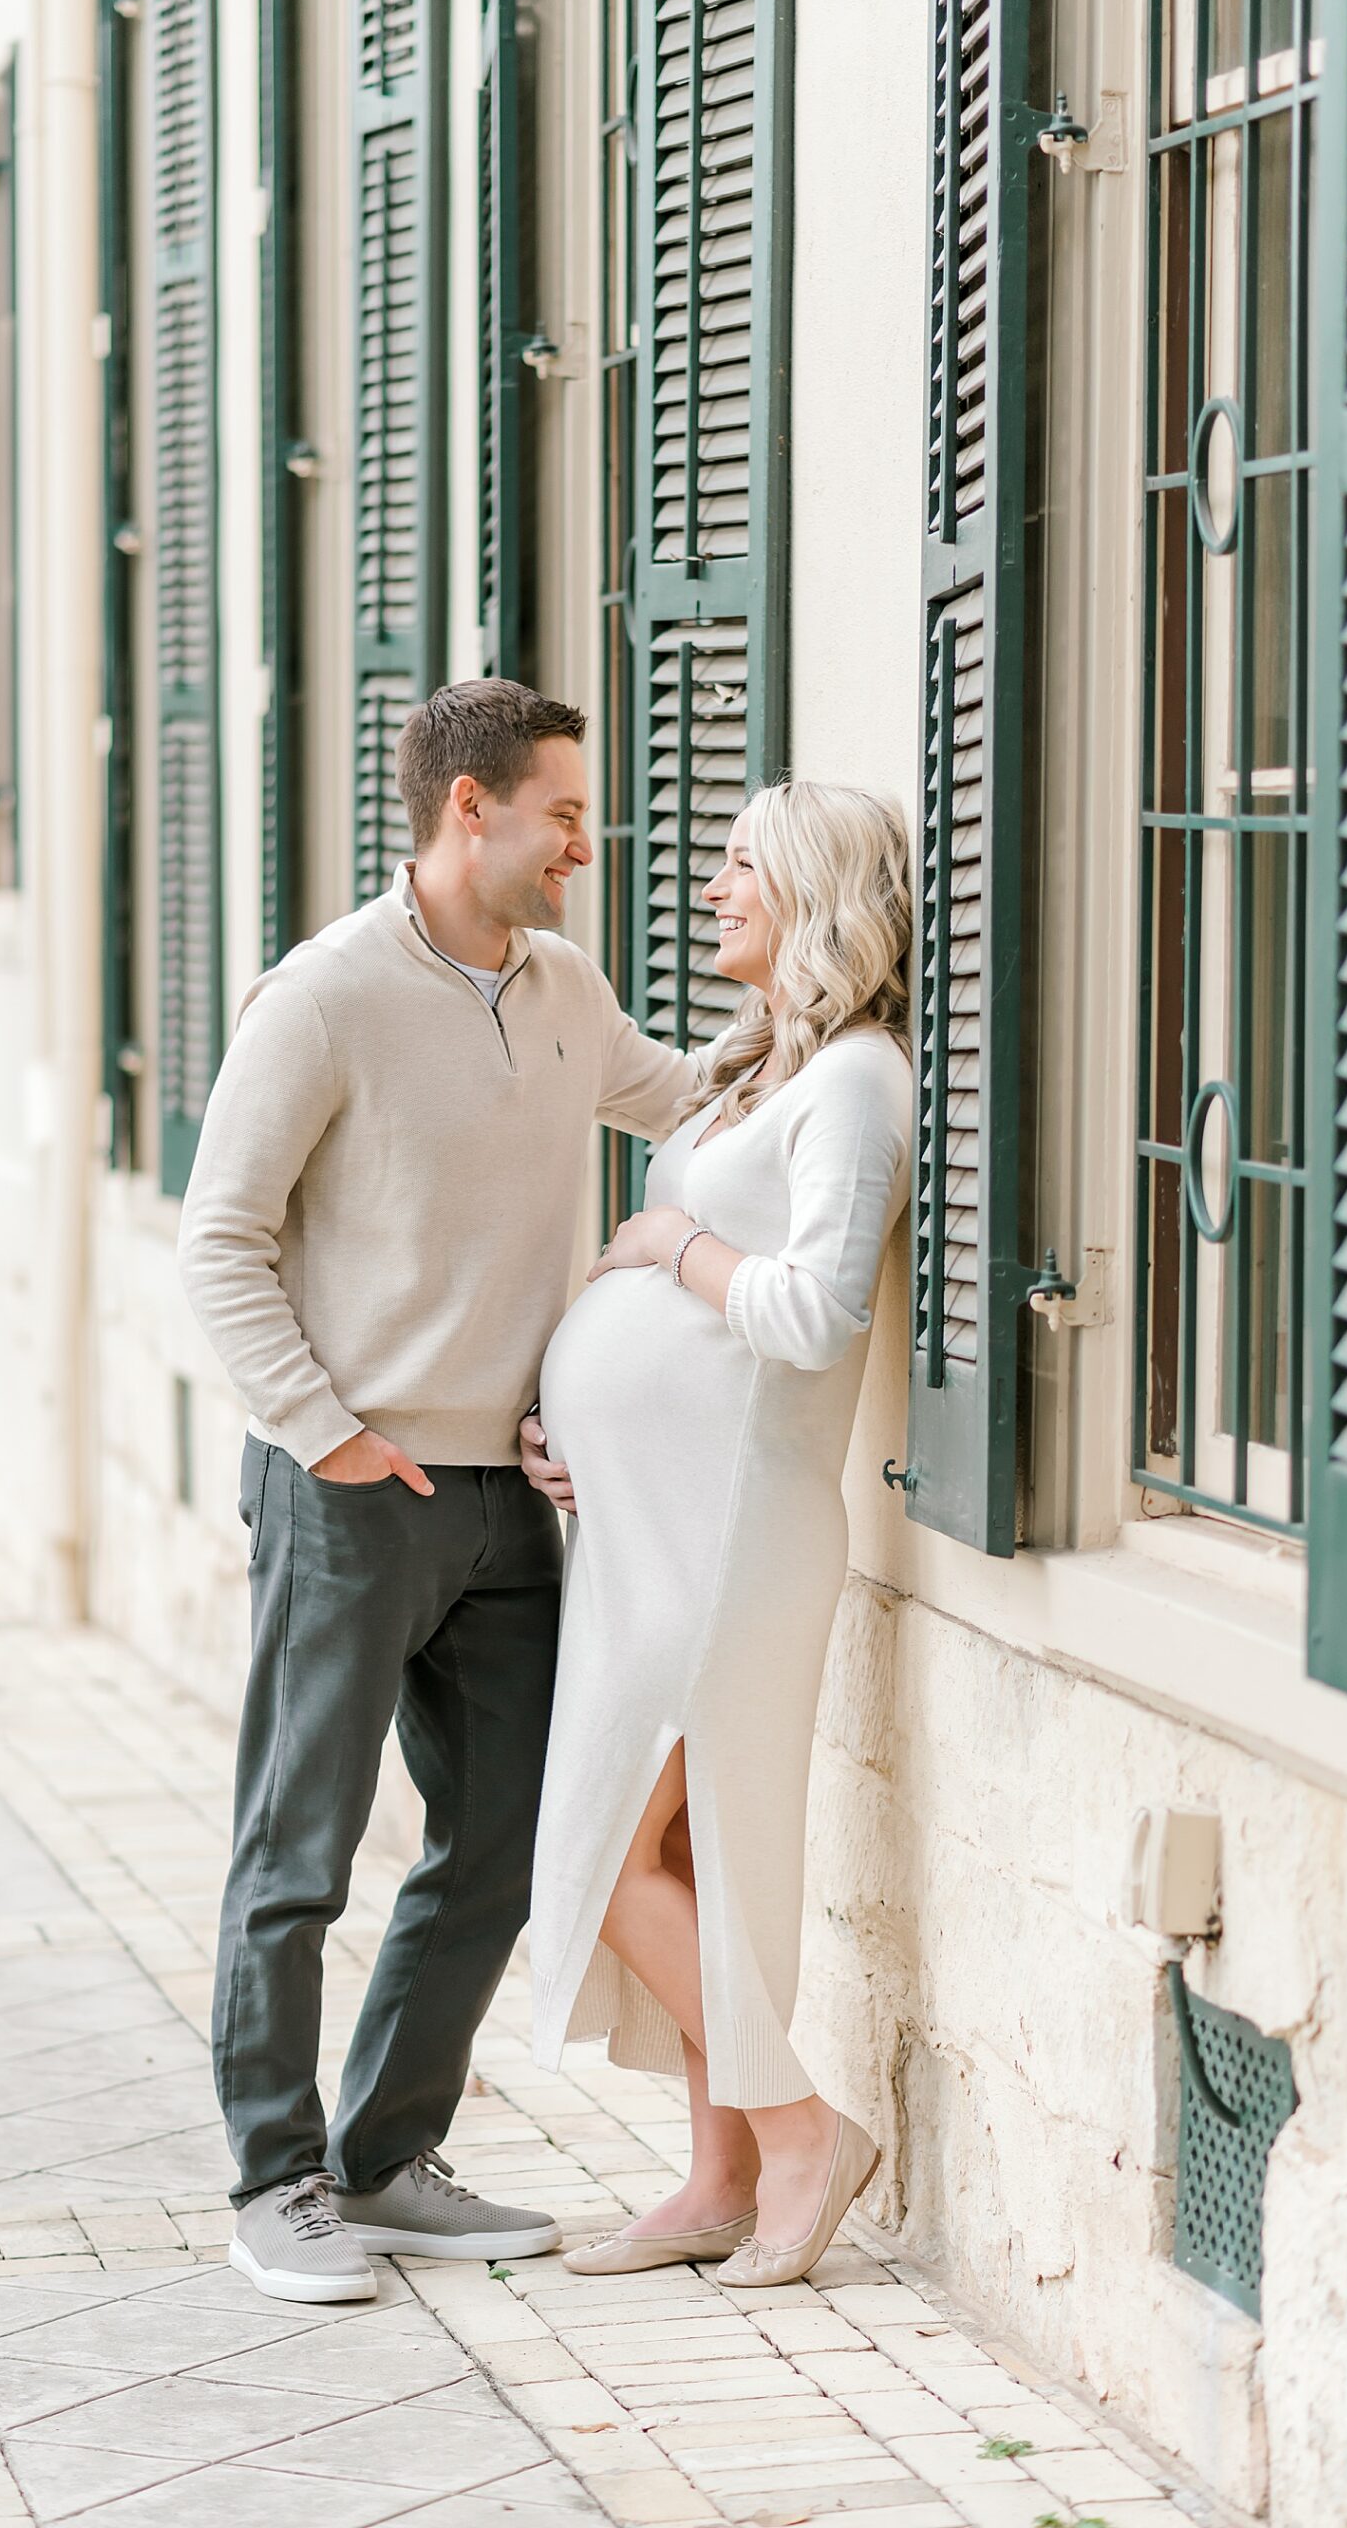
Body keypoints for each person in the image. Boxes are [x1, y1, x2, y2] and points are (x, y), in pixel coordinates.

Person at [178, 680, 698, 2303]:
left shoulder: (561, 986)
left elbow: (688, 1101)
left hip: (508, 1501)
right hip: (349, 1490)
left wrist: (838, 1041)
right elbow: (219, 1240)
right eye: (559, 809)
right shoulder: (323, 997)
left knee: (498, 1845)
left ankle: (387, 2157)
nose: (582, 840)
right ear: (467, 811)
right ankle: (278, 2182)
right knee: (299, 1850)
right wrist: (324, 1432)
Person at [519, 779, 913, 2287]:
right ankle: (714, 2178)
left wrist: (665, 1245)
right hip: (650, 1526)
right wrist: (578, 1421)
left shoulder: (855, 1083)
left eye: (739, 865)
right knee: (676, 1845)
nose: (710, 886)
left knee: (621, 1851)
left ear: (810, 891)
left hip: (735, 1533)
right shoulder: (755, 1072)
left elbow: (813, 1317)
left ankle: (805, 2131)